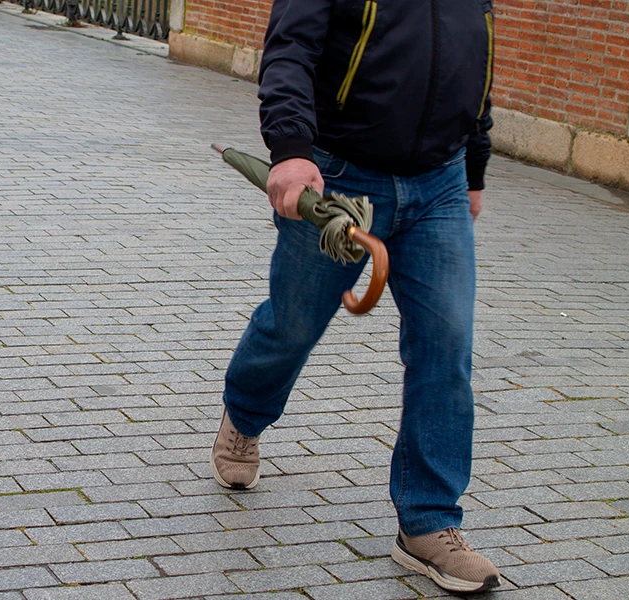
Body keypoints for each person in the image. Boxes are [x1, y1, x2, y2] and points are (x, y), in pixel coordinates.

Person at [210, 0, 501, 593]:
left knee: (447, 346)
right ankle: (244, 414)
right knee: (292, 326)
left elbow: (478, 59)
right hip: (340, 180)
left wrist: (473, 165)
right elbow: (291, 47)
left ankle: (428, 522)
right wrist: (291, 149)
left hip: (438, 183)